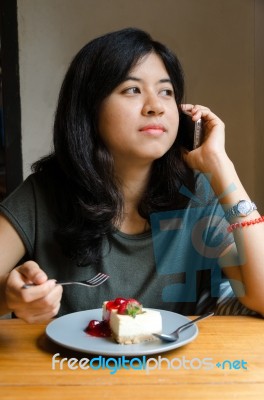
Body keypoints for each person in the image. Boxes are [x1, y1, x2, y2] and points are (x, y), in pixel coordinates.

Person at [0, 27, 263, 323]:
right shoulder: (43, 194)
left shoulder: (197, 194)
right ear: (89, 108)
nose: (156, 107)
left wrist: (221, 166)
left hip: (179, 368)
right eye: (132, 90)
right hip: (67, 367)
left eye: (166, 91)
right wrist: (9, 296)